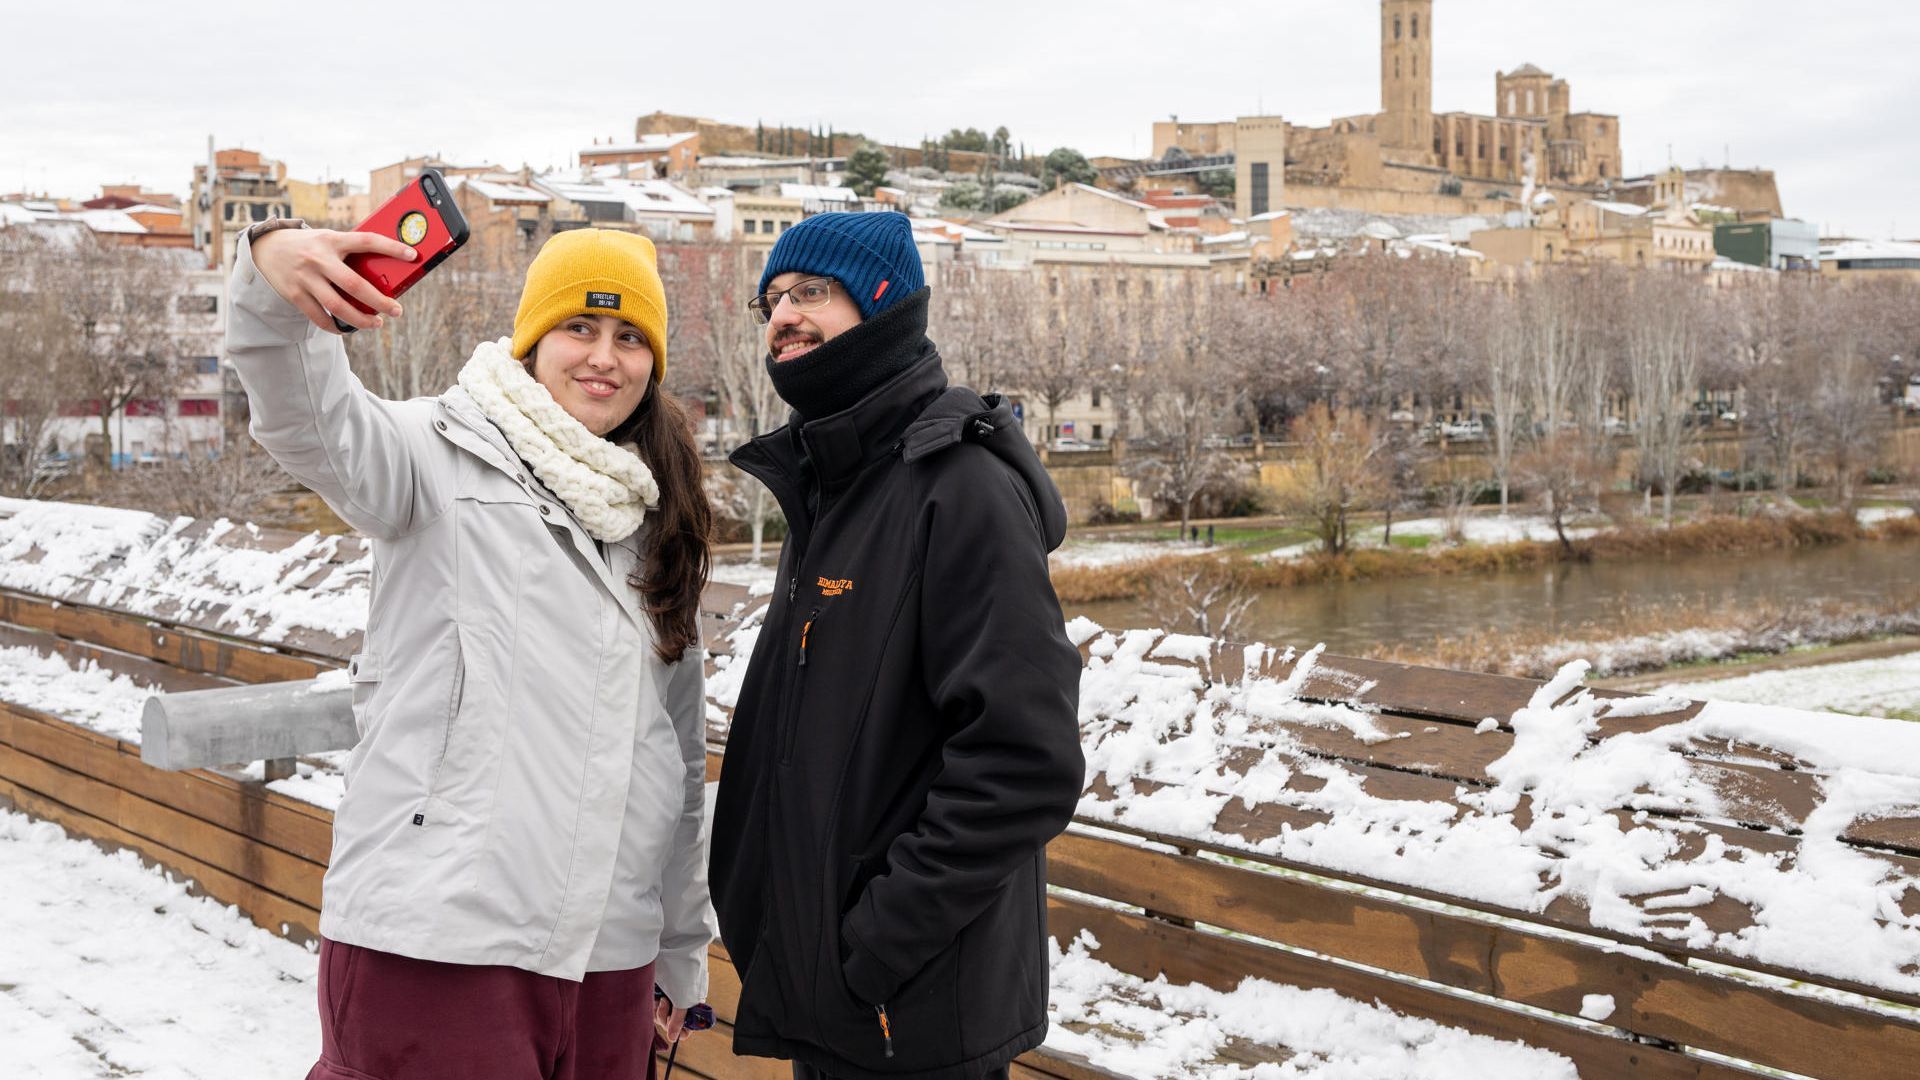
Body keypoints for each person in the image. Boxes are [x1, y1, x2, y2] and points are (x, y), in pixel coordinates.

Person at [227, 219, 714, 1079]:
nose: (605, 356)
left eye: (631, 337)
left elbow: (671, 773)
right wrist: (273, 280)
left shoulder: (653, 528)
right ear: (532, 341)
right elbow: (306, 417)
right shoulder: (431, 458)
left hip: (609, 966)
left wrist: (677, 950)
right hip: (443, 947)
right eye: (580, 327)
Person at [709, 212, 1084, 1080]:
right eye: (770, 300)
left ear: (884, 306)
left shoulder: (959, 487)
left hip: (904, 1010)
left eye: (811, 293)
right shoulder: (837, 481)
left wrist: (874, 950)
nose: (783, 318)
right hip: (838, 1001)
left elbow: (1023, 762)